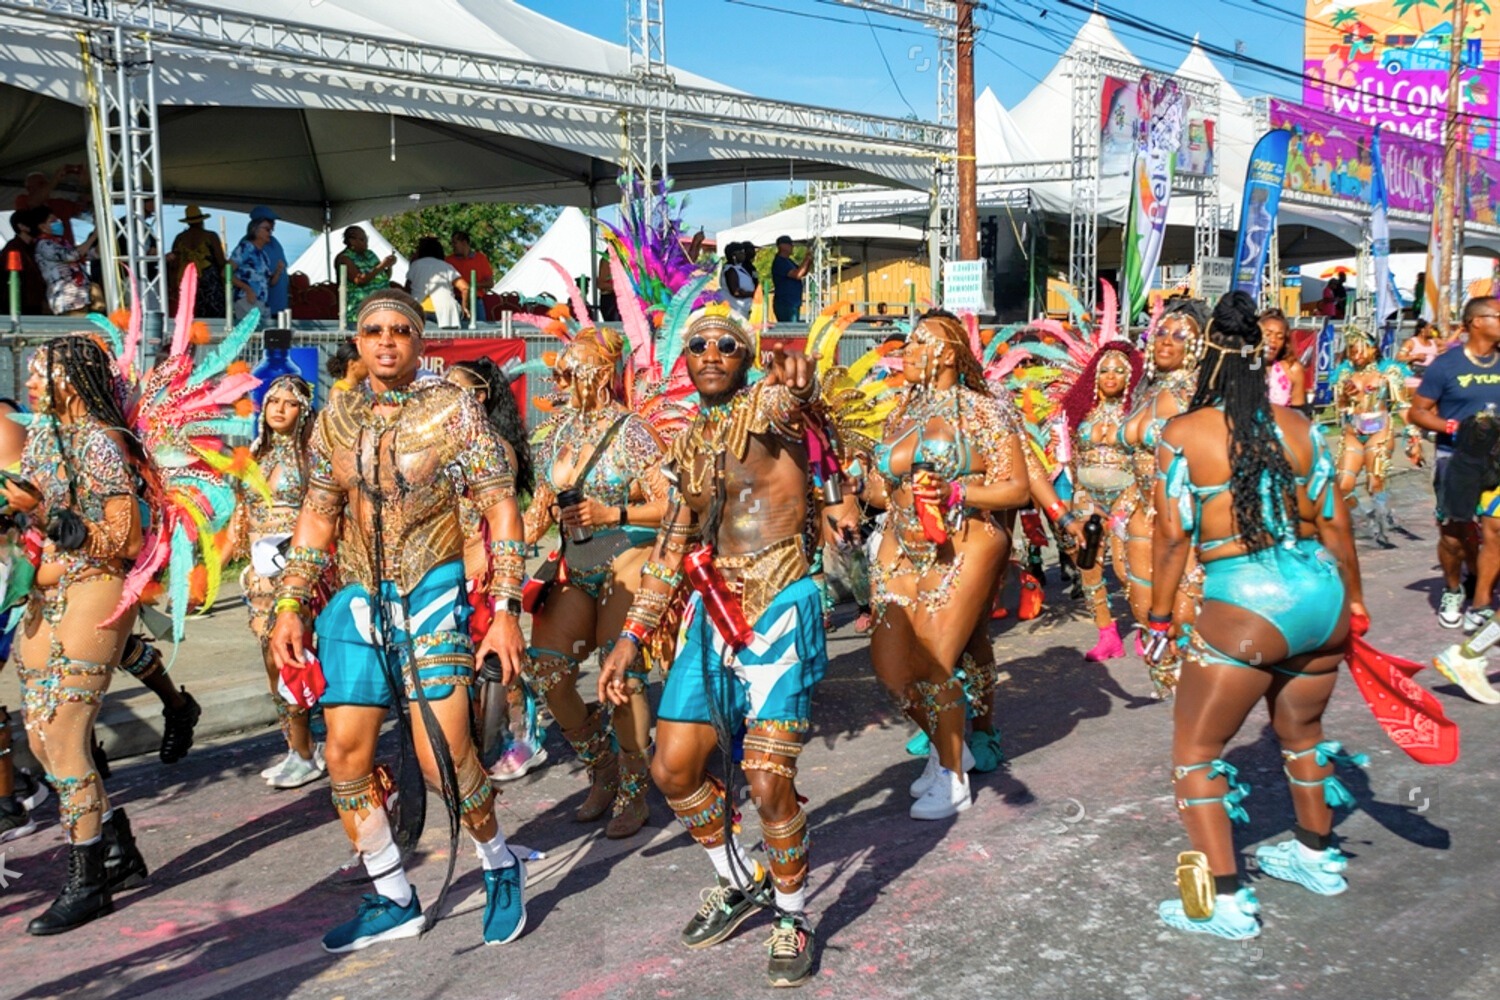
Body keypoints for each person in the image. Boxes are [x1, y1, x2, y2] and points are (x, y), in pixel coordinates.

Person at [268, 289, 529, 953]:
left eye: (401, 331)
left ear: (420, 340)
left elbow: (501, 505)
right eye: (373, 330)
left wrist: (503, 609)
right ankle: (393, 895)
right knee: (344, 757)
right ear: (357, 341)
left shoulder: (453, 409)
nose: (386, 341)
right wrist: (291, 601)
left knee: (441, 759)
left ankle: (499, 863)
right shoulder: (336, 416)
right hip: (357, 593)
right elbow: (320, 510)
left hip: (433, 585)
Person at [597, 309, 825, 987]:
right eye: (698, 344)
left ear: (747, 357)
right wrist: (631, 638)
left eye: (729, 344)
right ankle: (742, 878)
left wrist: (803, 387)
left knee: (765, 780)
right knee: (671, 769)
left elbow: (798, 404)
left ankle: (792, 915)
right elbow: (670, 548)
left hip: (780, 607)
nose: (712, 352)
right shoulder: (691, 439)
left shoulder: (770, 405)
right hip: (712, 613)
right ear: (685, 360)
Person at [1148, 291, 1367, 940]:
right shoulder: (1300, 427)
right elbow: (1335, 520)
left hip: (1246, 606)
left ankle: (1226, 900)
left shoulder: (1183, 434)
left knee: (1196, 751)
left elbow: (1170, 536)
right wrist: (1356, 602)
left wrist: (1158, 620)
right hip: (1320, 598)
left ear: (1208, 356)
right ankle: (1317, 858)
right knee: (1302, 733)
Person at [2, 337, 152, 935]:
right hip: (46, 588)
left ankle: (87, 881)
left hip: (94, 584)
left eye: (43, 374)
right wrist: (23, 514)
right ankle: (116, 851)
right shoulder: (40, 439)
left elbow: (130, 540)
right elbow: (35, 515)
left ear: (71, 379)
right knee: (39, 736)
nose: (33, 382)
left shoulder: (98, 443)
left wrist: (71, 528)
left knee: (64, 737)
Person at [864, 309, 1030, 819]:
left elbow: (1017, 488)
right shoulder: (900, 411)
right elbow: (879, 487)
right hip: (901, 542)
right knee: (893, 667)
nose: (906, 352)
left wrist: (957, 489)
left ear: (949, 355)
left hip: (968, 539)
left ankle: (954, 775)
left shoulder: (982, 411)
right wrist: (864, 483)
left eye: (919, 344)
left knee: (934, 659)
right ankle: (943, 746)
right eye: (907, 344)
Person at [523, 329, 668, 837]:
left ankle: (635, 789)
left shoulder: (633, 431)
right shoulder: (558, 433)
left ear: (603, 375)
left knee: (619, 677)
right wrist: (496, 549)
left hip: (625, 558)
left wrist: (614, 511)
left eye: (571, 371)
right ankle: (602, 767)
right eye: (558, 372)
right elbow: (539, 509)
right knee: (547, 674)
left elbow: (673, 506)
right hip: (575, 563)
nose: (560, 381)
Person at [444, 360, 545, 782]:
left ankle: (517, 738)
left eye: (456, 390)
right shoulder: (444, 445)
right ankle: (478, 739)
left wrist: (489, 562)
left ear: (480, 398)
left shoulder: (495, 448)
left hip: (486, 570)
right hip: (451, 568)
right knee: (462, 661)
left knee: (495, 660)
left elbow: (500, 517)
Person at [227, 376, 326, 790]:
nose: (279, 409)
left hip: (299, 575)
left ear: (303, 412)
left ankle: (309, 750)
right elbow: (240, 509)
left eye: (289, 403)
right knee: (272, 665)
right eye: (273, 402)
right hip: (259, 579)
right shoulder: (253, 455)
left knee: (293, 660)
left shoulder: (312, 456)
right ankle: (298, 749)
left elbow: (324, 511)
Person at [1114, 298, 1208, 697]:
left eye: (1178, 335)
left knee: (1185, 620)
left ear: (1198, 345)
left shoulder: (1199, 393)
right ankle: (1182, 725)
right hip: (1138, 510)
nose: (1166, 342)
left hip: (1182, 514)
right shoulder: (1144, 392)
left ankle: (1200, 726)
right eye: (1161, 333)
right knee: (1146, 613)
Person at [1408, 296, 1500, 634]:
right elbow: (1417, 412)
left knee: (1495, 530)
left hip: (1497, 462)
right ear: (1477, 321)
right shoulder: (1446, 366)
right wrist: (1455, 427)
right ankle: (1452, 588)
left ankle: (1481, 602)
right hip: (1457, 459)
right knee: (1454, 537)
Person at [1058, 339, 1144, 662]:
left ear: (1130, 376)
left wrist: (1133, 497)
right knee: (1088, 566)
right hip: (1088, 497)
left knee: (1125, 568)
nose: (1110, 376)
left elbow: (1146, 461)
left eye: (1118, 371)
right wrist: (1078, 497)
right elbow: (1075, 459)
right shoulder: (1082, 412)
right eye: (1104, 370)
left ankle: (1147, 627)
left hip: (1126, 495)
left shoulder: (1137, 412)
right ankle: (1107, 634)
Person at [1329, 331, 1420, 548]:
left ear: (1373, 349)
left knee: (1374, 481)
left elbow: (1402, 406)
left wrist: (1413, 437)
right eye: (1352, 349)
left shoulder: (1388, 374)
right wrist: (1345, 395)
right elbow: (1341, 408)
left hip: (1379, 430)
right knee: (1342, 486)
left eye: (1362, 348)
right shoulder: (1344, 375)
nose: (1357, 354)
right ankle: (1365, 518)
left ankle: (1381, 529)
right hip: (1353, 432)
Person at [33, 211, 97, 317]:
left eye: (58, 220)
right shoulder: (44, 245)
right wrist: (93, 237)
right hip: (67, 297)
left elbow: (88, 254)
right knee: (78, 329)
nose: (58, 223)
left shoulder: (63, 243)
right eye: (53, 221)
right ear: (42, 227)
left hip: (79, 293)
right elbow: (72, 256)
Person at [168, 205, 227, 319]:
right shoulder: (211, 236)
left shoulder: (180, 238)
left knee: (190, 312)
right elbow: (220, 261)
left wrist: (173, 287)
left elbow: (174, 264)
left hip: (186, 278)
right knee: (213, 316)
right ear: (201, 221)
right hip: (208, 280)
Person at [333, 226, 396, 327]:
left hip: (381, 308)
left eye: (366, 238)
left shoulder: (370, 254)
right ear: (352, 241)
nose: (366, 242)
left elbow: (384, 277)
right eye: (362, 239)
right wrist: (382, 265)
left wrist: (389, 266)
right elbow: (359, 280)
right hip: (360, 310)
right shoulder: (344, 258)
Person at [405, 236, 468, 329]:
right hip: (447, 312)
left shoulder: (415, 265)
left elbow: (407, 289)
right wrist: (464, 308)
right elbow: (465, 287)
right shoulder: (446, 266)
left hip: (420, 310)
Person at [13, 166, 89, 244]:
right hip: (44, 251)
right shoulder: (22, 200)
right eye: (41, 184)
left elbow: (83, 205)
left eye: (46, 183)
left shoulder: (59, 203)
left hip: (67, 250)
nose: (46, 186)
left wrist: (85, 184)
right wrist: (56, 179)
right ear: (29, 188)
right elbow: (34, 202)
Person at [230, 218, 279, 327]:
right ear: (255, 230)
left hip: (262, 303)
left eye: (271, 230)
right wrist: (247, 289)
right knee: (249, 337)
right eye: (267, 229)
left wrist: (278, 271)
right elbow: (226, 273)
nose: (270, 232)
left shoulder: (264, 255)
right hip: (246, 301)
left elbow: (269, 283)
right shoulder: (245, 248)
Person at [2, 208, 49, 315]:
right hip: (19, 307)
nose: (38, 226)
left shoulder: (36, 247)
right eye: (33, 222)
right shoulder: (13, 249)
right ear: (22, 226)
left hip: (35, 304)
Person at [1260, 309, 1307, 410]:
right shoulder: (1244, 366)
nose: (1273, 340)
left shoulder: (1293, 369)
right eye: (1267, 334)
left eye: (1280, 337)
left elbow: (1300, 415)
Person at [249, 206, 290, 321]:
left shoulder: (274, 242)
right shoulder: (248, 246)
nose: (273, 224)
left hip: (279, 304)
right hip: (260, 306)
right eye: (269, 222)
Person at [445, 231, 494, 321]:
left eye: (455, 243)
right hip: (456, 301)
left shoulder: (481, 258)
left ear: (464, 243)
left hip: (476, 301)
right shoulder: (448, 261)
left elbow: (490, 283)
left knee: (481, 332)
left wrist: (472, 285)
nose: (452, 246)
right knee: (456, 333)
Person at [770, 235, 812, 323]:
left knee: (793, 328)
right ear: (782, 246)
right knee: (790, 331)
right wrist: (807, 257)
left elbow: (803, 272)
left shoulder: (788, 261)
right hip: (785, 303)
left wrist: (809, 261)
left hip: (792, 302)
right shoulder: (780, 262)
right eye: (790, 245)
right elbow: (797, 274)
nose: (792, 247)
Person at [720, 242, 757, 317]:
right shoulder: (730, 270)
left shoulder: (739, 268)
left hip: (742, 309)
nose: (744, 254)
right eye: (741, 252)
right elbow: (736, 292)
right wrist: (753, 294)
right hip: (735, 310)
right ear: (734, 255)